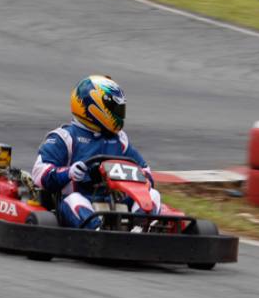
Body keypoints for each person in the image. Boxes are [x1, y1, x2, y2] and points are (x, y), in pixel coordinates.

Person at [31, 75, 163, 229]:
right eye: (114, 108)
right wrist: (69, 173)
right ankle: (95, 230)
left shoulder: (119, 140)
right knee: (74, 200)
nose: (119, 114)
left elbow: (145, 170)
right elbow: (39, 173)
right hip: (81, 201)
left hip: (117, 201)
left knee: (153, 195)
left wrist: (142, 178)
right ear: (93, 106)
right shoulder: (65, 137)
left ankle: (140, 228)